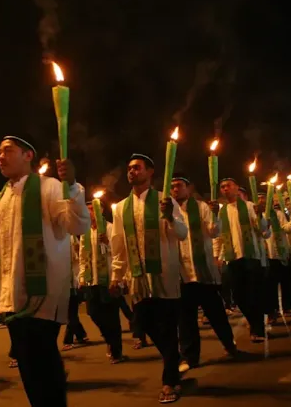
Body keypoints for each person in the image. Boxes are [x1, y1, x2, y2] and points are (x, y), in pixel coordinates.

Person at [0, 135, 90, 407]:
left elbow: (78, 226)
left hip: (44, 294)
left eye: (8, 151)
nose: (0, 157)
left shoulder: (49, 188)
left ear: (28, 156)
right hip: (12, 298)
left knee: (43, 360)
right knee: (27, 366)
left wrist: (71, 187)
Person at [110, 153, 187, 404]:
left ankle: (169, 381)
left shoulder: (165, 202)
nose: (132, 172)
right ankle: (173, 361)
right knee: (143, 324)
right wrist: (116, 275)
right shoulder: (121, 208)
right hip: (139, 279)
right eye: (130, 168)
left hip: (165, 275)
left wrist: (168, 216)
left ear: (150, 172)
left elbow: (183, 233)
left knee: (167, 327)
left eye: (137, 168)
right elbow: (119, 244)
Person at [170, 174, 237, 373]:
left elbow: (214, 232)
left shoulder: (201, 207)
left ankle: (229, 344)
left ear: (188, 188)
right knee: (186, 319)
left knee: (215, 313)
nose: (175, 189)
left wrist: (216, 215)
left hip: (203, 272)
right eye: (172, 186)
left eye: (179, 185)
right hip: (182, 273)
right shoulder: (168, 211)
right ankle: (190, 357)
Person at [215, 178, 268, 343]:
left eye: (228, 186)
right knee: (238, 296)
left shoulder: (250, 207)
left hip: (251, 257)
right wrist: (217, 255)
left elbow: (264, 231)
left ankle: (257, 329)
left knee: (254, 294)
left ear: (237, 188)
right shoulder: (221, 211)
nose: (225, 189)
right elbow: (218, 236)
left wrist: (260, 215)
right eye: (222, 187)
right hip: (233, 259)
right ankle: (253, 322)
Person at [79, 202, 124, 364]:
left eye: (92, 209)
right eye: (87, 209)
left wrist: (107, 243)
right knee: (93, 313)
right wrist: (82, 277)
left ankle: (116, 350)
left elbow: (119, 251)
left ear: (101, 210)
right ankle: (109, 339)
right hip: (93, 280)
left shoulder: (111, 228)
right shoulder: (85, 232)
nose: (89, 212)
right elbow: (83, 256)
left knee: (111, 316)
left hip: (108, 279)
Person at [258, 194, 291, 319]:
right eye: (259, 199)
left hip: (281, 252)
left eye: (263, 198)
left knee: (286, 282)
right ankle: (273, 310)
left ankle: (287, 306)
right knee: (270, 285)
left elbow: (287, 228)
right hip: (267, 255)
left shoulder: (278, 214)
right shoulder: (257, 216)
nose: (262, 201)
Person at [62, 235, 89, 351]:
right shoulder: (68, 238)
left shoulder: (69, 238)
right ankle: (81, 334)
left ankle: (68, 340)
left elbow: (75, 258)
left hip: (70, 282)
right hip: (66, 282)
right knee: (71, 313)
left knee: (70, 314)